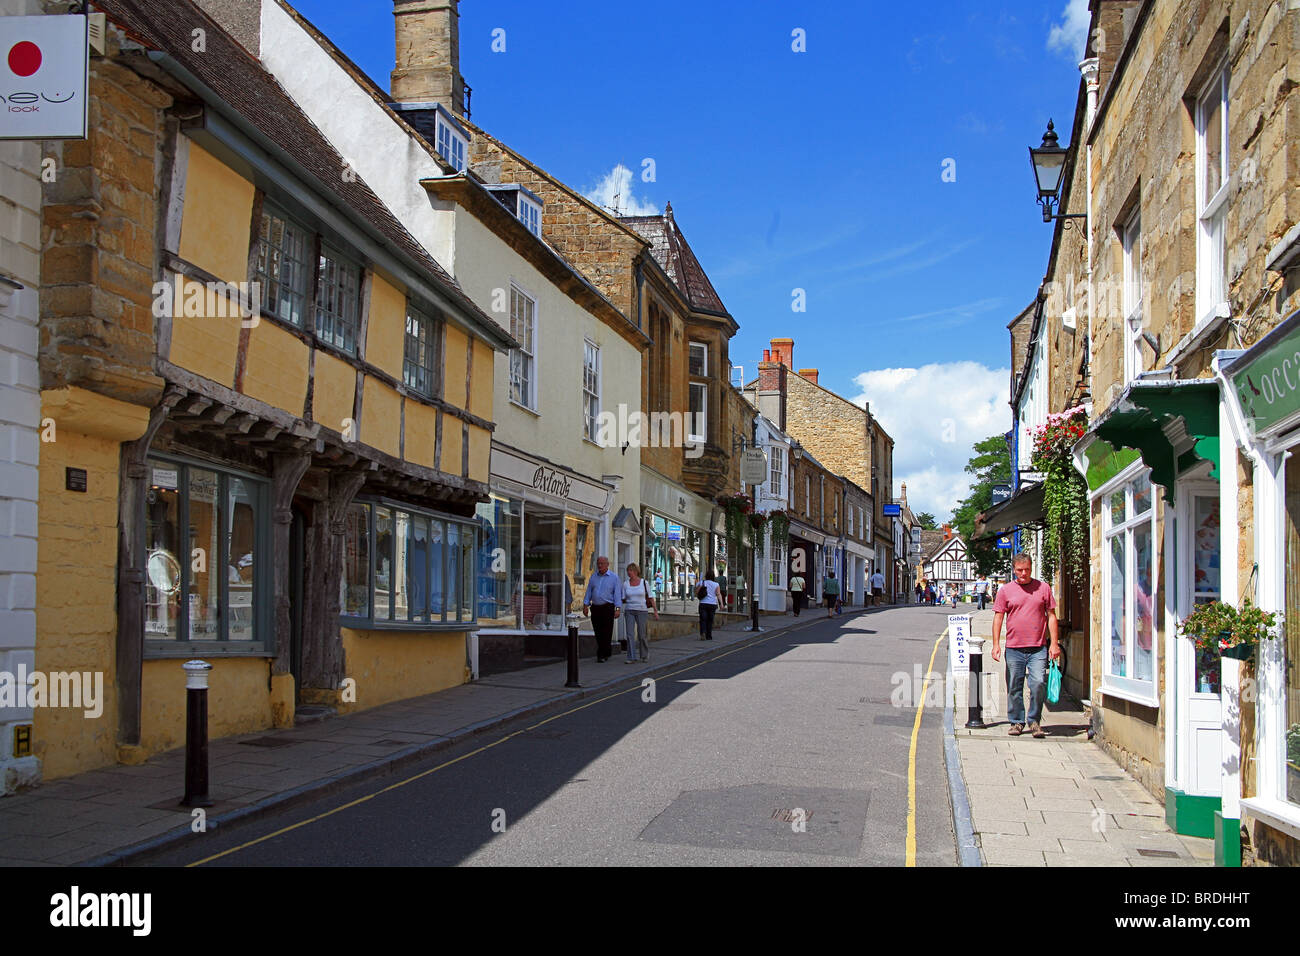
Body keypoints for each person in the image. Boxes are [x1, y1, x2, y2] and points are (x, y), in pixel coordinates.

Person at [990, 553, 1061, 739]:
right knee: (1014, 685)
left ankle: (1034, 720)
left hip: (1038, 647)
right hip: (1014, 647)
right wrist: (996, 644)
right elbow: (998, 617)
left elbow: (1051, 616)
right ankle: (1016, 721)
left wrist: (1054, 643)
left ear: (1031, 568)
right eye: (1020, 570)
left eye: (1027, 570)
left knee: (1038, 683)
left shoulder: (1043, 588)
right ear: (1014, 570)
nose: (1024, 573)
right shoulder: (1005, 591)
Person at [582, 556, 621, 662]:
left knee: (607, 631)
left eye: (602, 563)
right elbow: (589, 592)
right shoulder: (593, 577)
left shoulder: (614, 578)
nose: (599, 566)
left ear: (607, 564)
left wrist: (617, 609)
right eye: (598, 563)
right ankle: (606, 652)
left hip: (608, 606)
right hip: (595, 607)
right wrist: (585, 605)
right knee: (598, 631)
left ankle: (602, 654)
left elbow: (617, 594)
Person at [621, 562, 658, 663]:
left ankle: (644, 655)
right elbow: (622, 598)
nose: (629, 573)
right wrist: (617, 608)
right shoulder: (625, 584)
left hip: (642, 610)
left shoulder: (644, 583)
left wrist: (655, 611)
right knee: (629, 634)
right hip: (629, 610)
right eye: (628, 571)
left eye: (631, 571)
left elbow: (650, 598)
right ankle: (631, 657)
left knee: (642, 634)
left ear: (636, 571)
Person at [697, 569, 721, 640]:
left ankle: (703, 633)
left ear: (706, 576)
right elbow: (718, 594)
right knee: (710, 620)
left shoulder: (702, 582)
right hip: (712, 604)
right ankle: (709, 635)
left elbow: (697, 592)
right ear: (713, 576)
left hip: (703, 604)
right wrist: (721, 604)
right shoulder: (716, 584)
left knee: (703, 619)